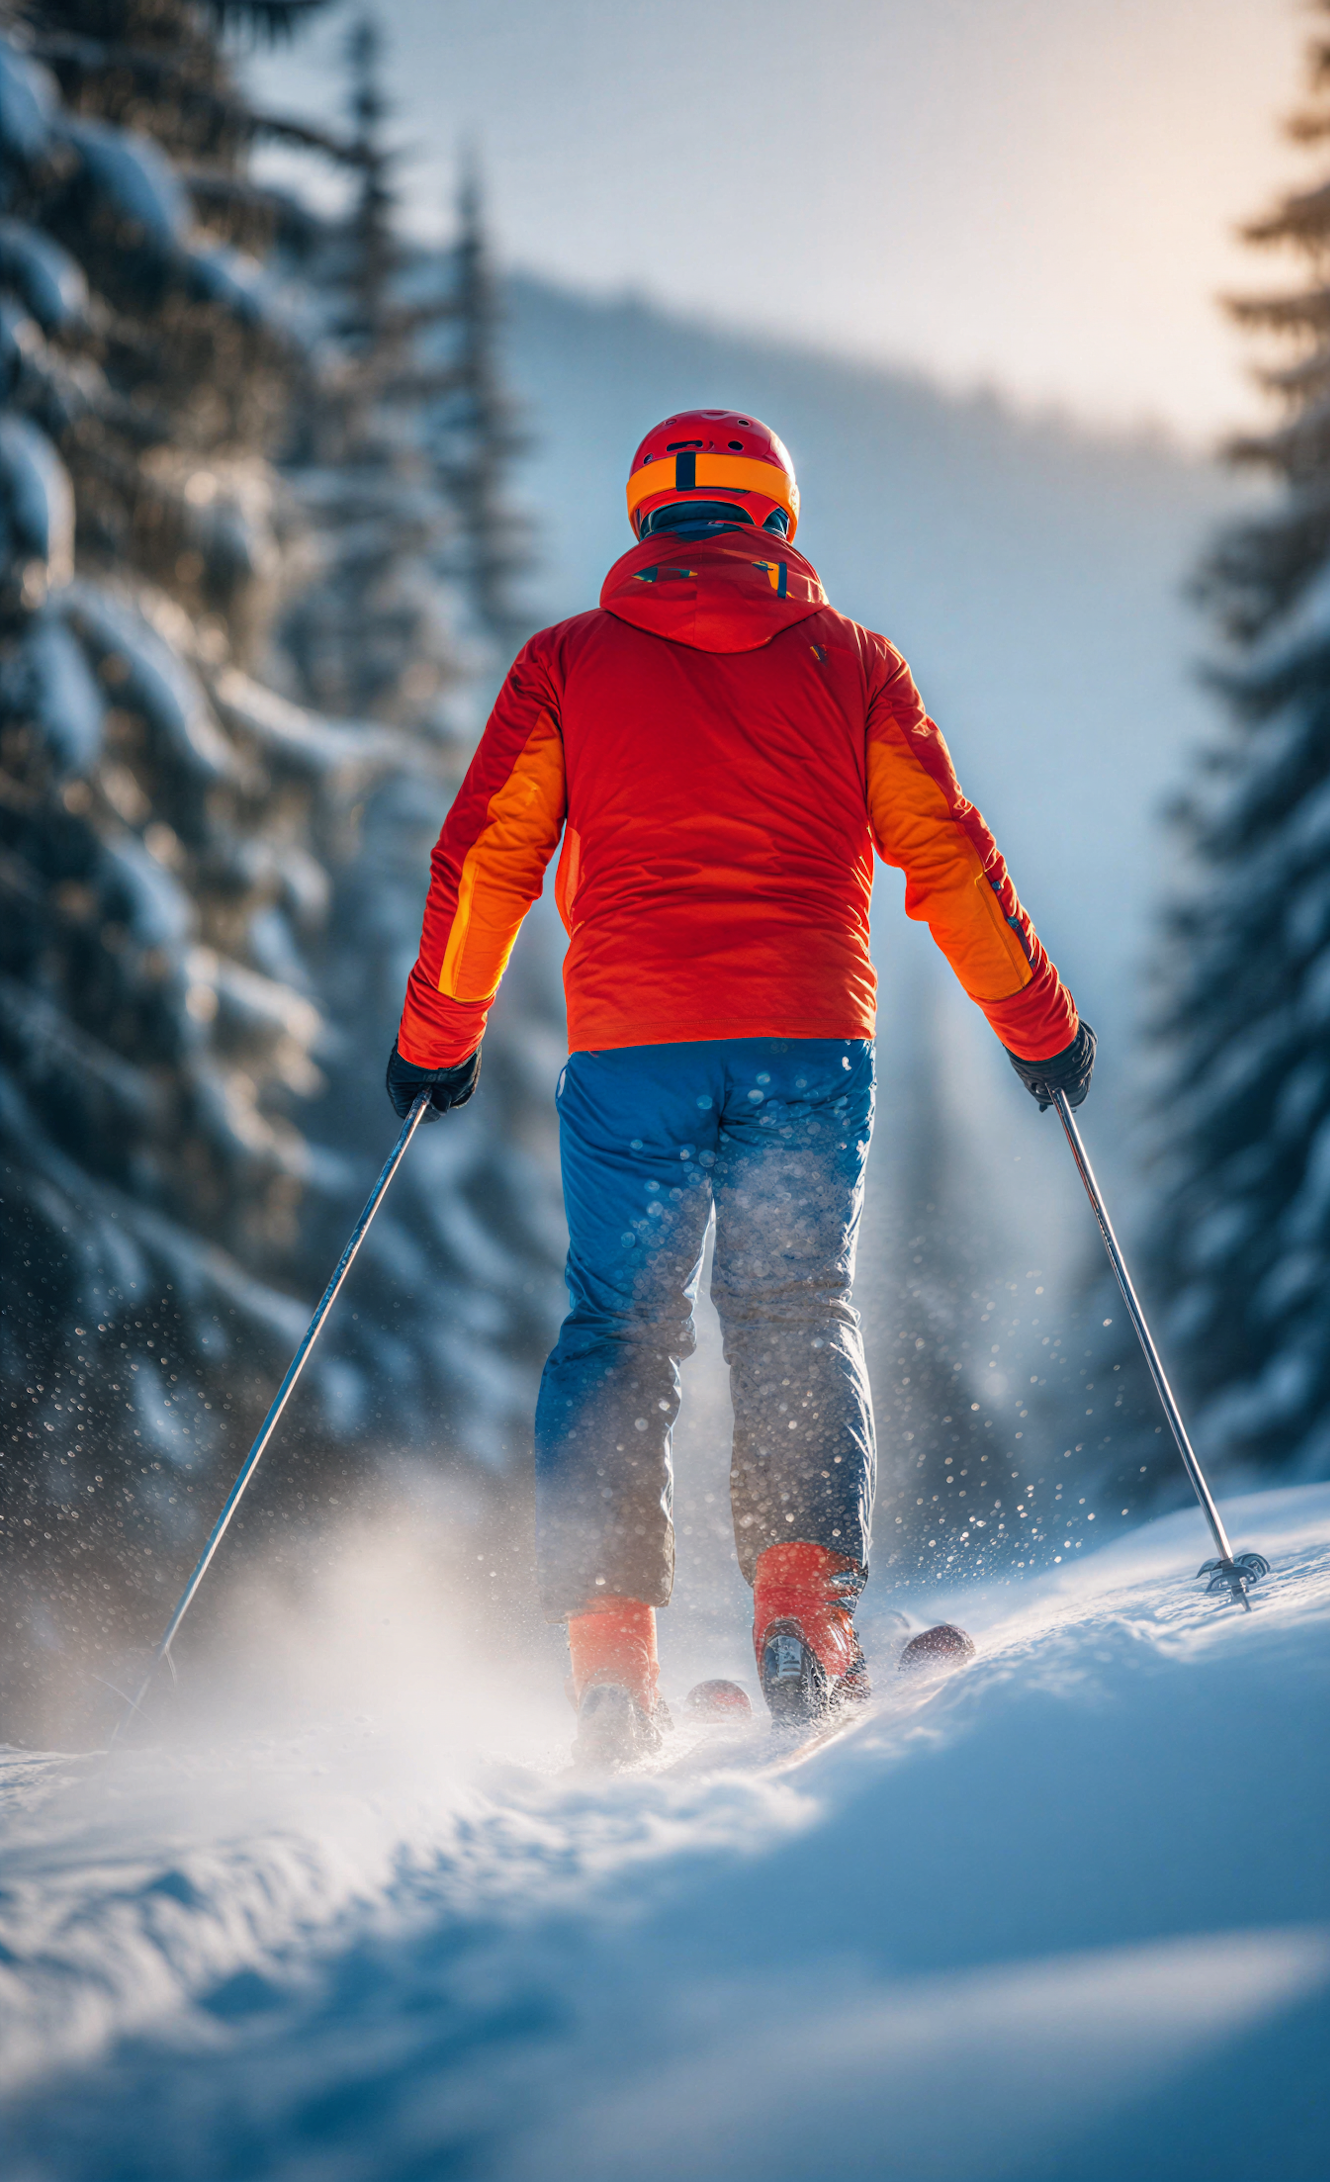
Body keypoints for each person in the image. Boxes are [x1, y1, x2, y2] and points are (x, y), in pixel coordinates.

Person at [388, 408, 1093, 1759]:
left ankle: (610, 1665)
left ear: (648, 514)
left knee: (615, 1332)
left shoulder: (565, 665)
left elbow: (486, 859)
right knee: (791, 1309)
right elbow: (947, 854)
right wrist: (1037, 1026)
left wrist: (438, 1038)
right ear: (777, 514)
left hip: (629, 1052)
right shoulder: (852, 664)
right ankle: (802, 1622)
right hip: (804, 1044)